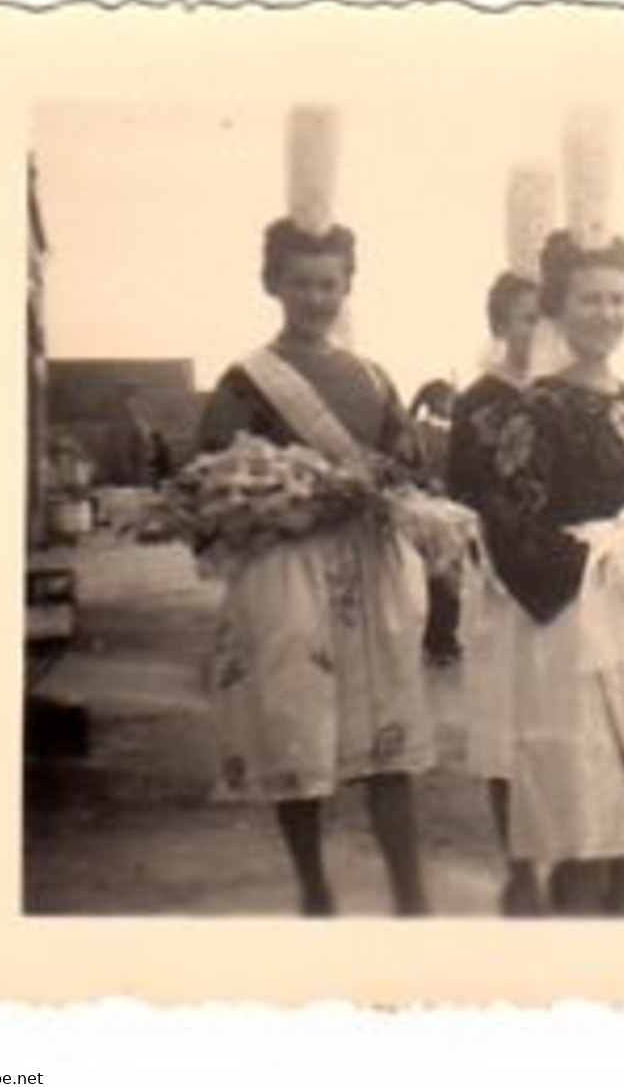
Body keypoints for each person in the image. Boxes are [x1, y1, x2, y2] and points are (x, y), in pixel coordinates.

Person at [197, 218, 433, 917]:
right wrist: (275, 498)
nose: (315, 297)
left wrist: (385, 483)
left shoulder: (371, 376)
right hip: (286, 571)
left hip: (370, 567)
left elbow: (412, 464)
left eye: (329, 283)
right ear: (273, 284)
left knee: (387, 736)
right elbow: (208, 480)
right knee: (296, 731)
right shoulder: (245, 382)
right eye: (301, 282)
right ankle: (313, 888)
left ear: (347, 287)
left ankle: (410, 892)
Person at [475, 229, 624, 916]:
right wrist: (605, 556)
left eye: (618, 298)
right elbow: (511, 528)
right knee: (585, 808)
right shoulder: (535, 405)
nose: (605, 313)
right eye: (589, 299)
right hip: (575, 623)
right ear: (555, 306)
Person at [445, 270, 545, 914]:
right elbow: (461, 490)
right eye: (522, 318)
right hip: (503, 581)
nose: (534, 332)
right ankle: (520, 866)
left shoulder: (572, 395)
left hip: (569, 578)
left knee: (562, 725)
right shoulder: (476, 401)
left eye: (545, 318)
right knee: (507, 726)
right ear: (500, 325)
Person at [408, 378, 462, 667]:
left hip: (425, 512)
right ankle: (441, 640)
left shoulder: (416, 430)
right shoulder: (440, 433)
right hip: (441, 514)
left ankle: (436, 638)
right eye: (450, 400)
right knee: (444, 580)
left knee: (433, 579)